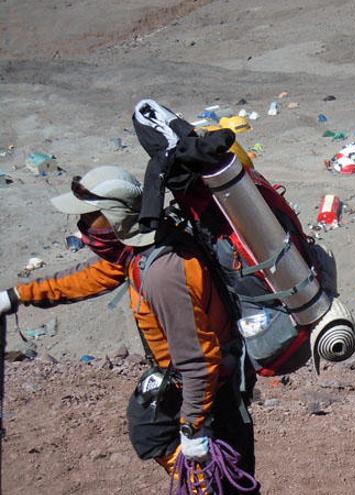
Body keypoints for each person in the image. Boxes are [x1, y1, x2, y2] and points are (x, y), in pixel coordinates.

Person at [0, 166, 259, 493]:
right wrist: (19, 295)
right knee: (148, 425)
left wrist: (193, 429)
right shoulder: (141, 250)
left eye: (89, 220)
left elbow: (199, 361)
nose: (83, 231)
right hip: (187, 378)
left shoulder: (162, 274)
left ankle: (204, 479)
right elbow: (92, 277)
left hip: (211, 391)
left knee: (222, 478)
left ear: (116, 218)